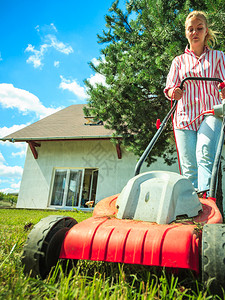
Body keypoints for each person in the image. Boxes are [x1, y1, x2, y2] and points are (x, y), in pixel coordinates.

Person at [164, 10, 225, 193]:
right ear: (186, 32)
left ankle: (207, 202)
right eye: (191, 29)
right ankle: (192, 208)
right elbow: (169, 88)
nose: (195, 32)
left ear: (206, 31)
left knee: (205, 154)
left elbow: (223, 83)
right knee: (189, 167)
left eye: (199, 28)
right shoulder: (178, 61)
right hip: (184, 118)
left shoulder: (218, 57)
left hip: (210, 113)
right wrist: (173, 92)